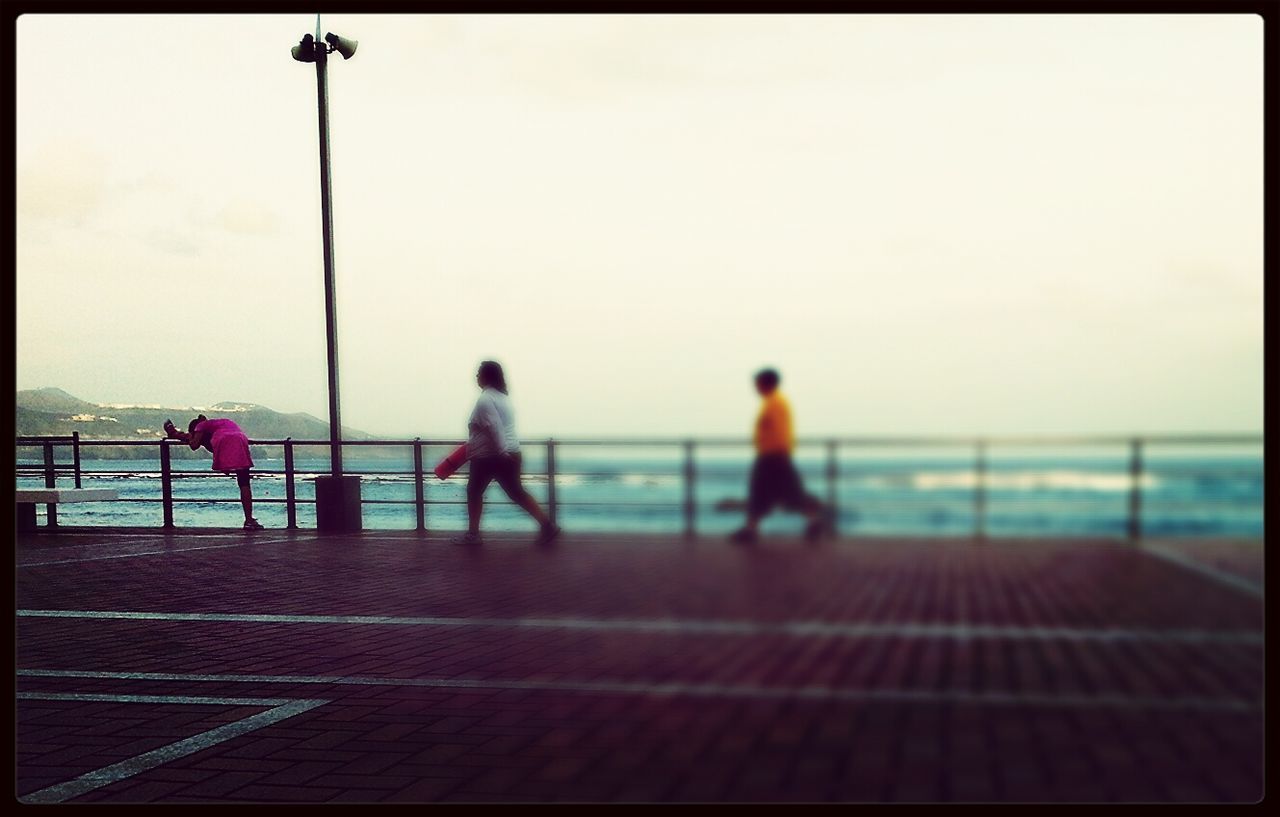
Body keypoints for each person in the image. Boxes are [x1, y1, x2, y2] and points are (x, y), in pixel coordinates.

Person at [453, 360, 561, 547]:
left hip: (491, 457)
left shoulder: (485, 399)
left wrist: (502, 453)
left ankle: (473, 535)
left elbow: (494, 428)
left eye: (479, 373)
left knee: (474, 492)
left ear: (487, 376)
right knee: (516, 492)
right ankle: (547, 525)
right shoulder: (502, 398)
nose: (476, 376)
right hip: (507, 453)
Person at [729, 368, 832, 544]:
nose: (755, 386)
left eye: (757, 382)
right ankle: (752, 529)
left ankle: (752, 529)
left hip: (773, 456)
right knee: (775, 493)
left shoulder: (775, 403)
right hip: (773, 455)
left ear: (764, 383)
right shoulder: (773, 401)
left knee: (775, 492)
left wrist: (778, 453)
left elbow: (779, 430)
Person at [164, 414, 263, 530]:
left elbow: (194, 445)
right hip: (241, 440)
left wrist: (189, 438)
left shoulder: (200, 426)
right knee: (244, 483)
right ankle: (249, 519)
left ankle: (175, 434)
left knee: (202, 441)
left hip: (222, 441)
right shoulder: (219, 423)